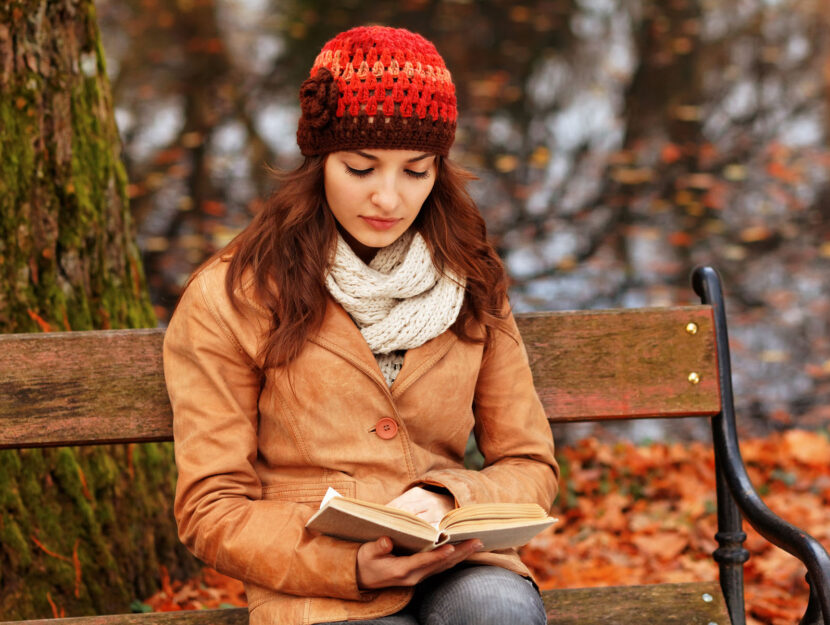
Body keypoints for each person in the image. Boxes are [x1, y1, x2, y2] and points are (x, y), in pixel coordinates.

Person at [163, 25, 559, 625]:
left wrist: (447, 496)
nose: (389, 199)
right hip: (315, 581)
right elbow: (210, 506)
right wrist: (345, 566)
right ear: (319, 162)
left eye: (415, 171)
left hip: (455, 560)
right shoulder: (235, 293)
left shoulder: (471, 276)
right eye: (361, 167)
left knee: (497, 611)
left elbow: (530, 465)